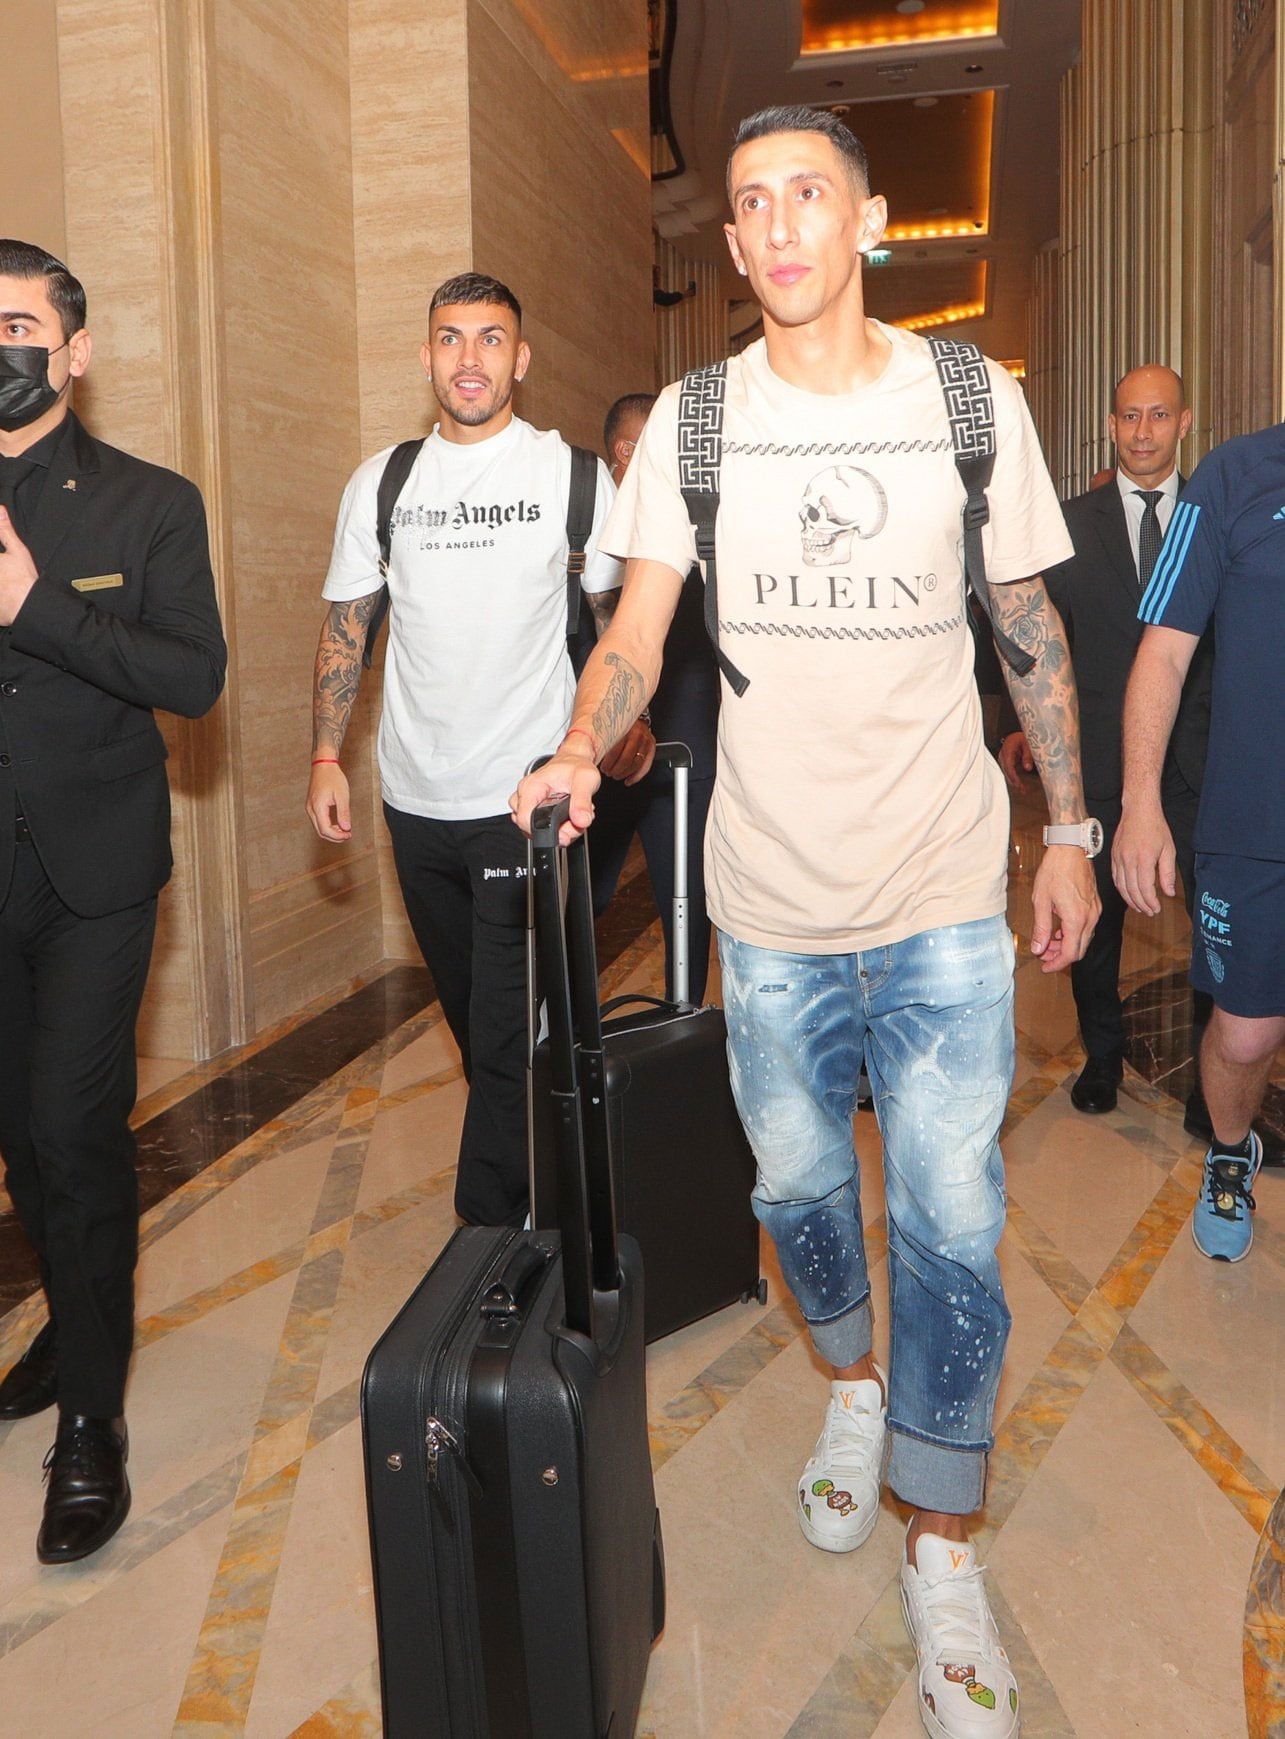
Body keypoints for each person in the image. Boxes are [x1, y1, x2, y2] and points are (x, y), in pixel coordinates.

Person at [514, 108, 1100, 1738]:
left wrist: (1074, 823)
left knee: (955, 1222)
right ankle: (851, 1375)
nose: (772, 227)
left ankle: (941, 1529)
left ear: (873, 221)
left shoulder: (974, 401)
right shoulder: (692, 426)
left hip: (936, 901)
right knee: (793, 1192)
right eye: (749, 204)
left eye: (806, 198)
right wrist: (579, 741)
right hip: (768, 909)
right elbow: (634, 629)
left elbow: (1030, 624)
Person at [306, 272, 651, 1229]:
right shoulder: (382, 483)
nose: (469, 359)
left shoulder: (573, 478)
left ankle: (494, 1241)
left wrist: (620, 731)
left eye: (491, 339)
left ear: (521, 359)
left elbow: (618, 625)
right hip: (413, 803)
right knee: (478, 1026)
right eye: (451, 339)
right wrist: (325, 754)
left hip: (527, 802)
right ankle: (560, 1180)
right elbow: (349, 626)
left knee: (504, 1036)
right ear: (425, 358)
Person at [0, 240, 227, 1562]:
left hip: (95, 873)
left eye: (18, 324)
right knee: (18, 1135)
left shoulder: (150, 503)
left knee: (74, 1129)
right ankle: (65, 1328)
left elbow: (190, 676)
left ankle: (93, 1418)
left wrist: (34, 606)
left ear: (72, 353)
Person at [997, 367, 1217, 1119]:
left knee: (1212, 924)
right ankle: (1102, 1054)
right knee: (1092, 923)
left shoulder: (1215, 516)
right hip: (1090, 759)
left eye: (1158, 415)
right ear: (1112, 423)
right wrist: (1015, 726)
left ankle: (1206, 1079)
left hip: (1201, 761)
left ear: (1183, 423)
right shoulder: (1065, 524)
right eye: (1129, 416)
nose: (1143, 431)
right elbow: (1024, 635)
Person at [1113, 421, 1284, 1262]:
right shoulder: (1232, 476)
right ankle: (1228, 1151)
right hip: (1254, 825)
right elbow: (1163, 652)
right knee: (1245, 1033)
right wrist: (1139, 802)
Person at [588, 392, 720, 1001]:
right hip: (597, 762)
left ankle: (681, 1033)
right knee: (577, 905)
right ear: (628, 453)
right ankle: (566, 1047)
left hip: (682, 764)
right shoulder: (583, 528)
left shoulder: (696, 538)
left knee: (686, 906)